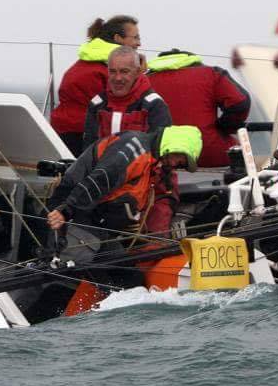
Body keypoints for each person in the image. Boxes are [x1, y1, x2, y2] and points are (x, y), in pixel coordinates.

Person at [46, 125, 202, 239]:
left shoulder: (153, 164)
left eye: (180, 165)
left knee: (126, 273)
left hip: (97, 223)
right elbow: (101, 179)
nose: (174, 164)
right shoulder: (135, 149)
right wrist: (65, 211)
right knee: (72, 266)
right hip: (76, 213)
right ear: (173, 146)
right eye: (178, 159)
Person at [49, 15, 142, 156]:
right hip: (85, 135)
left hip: (62, 130)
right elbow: (127, 103)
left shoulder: (85, 62)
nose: (139, 43)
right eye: (135, 38)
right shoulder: (111, 70)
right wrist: (139, 74)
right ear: (118, 38)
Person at [147, 49, 251, 168]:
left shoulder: (143, 81)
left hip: (161, 157)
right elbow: (240, 102)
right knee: (238, 153)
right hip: (211, 154)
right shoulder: (211, 74)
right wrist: (225, 127)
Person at [82, 46, 172, 146]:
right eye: (112, 71)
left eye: (124, 71)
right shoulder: (97, 104)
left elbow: (159, 148)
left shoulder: (154, 105)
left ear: (138, 72)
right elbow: (88, 148)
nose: (118, 78)